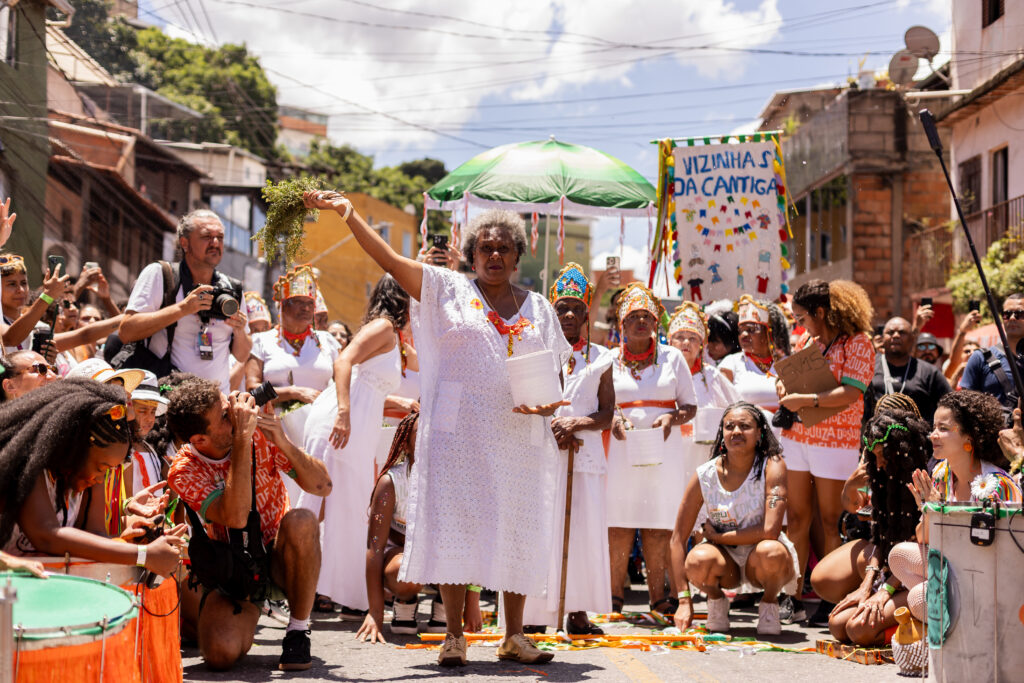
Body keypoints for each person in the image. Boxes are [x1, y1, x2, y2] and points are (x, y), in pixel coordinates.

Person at [303, 191, 570, 667]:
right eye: (485, 247)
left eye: (504, 248)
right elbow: (385, 255)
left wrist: (548, 404)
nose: (494, 255)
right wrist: (347, 212)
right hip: (456, 436)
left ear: (517, 256)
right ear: (471, 254)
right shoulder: (445, 287)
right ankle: (453, 636)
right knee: (454, 526)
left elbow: (556, 376)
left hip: (518, 438)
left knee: (517, 528)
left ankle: (514, 635)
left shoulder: (539, 308)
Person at [166, 379, 332, 671]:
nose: (236, 413)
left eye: (229, 405)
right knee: (220, 654)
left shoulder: (258, 435)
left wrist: (280, 438)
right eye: (225, 415)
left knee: (302, 520)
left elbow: (323, 486)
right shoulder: (184, 470)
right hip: (232, 571)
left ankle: (298, 628)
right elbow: (236, 517)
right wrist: (243, 440)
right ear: (199, 440)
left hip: (280, 556)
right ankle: (249, 610)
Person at [294, 273, 412, 621]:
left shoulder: (392, 334)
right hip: (341, 421)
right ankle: (291, 581)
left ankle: (338, 591)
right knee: (317, 504)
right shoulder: (383, 326)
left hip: (359, 422)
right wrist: (344, 413)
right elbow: (342, 362)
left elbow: (370, 390)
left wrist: (401, 406)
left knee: (346, 508)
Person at [0, 379, 185, 574]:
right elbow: (47, 535)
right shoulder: (29, 465)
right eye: (101, 468)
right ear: (74, 450)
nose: (101, 478)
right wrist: (142, 554)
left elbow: (92, 534)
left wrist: (127, 542)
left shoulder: (86, 479)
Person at [776, 280, 874, 625]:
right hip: (797, 437)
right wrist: (784, 385)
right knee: (798, 519)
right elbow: (794, 378)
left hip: (836, 442)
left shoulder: (859, 343)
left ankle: (830, 598)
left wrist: (807, 400)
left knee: (832, 522)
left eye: (802, 317)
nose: (799, 325)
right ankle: (792, 593)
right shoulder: (809, 340)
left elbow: (850, 393)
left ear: (821, 312)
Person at [523, 263, 614, 634]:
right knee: (540, 531)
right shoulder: (536, 351)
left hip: (583, 455)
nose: (569, 314)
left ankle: (577, 610)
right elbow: (524, 401)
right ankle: (532, 614)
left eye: (577, 307)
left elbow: (608, 414)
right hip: (541, 455)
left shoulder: (602, 357)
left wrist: (576, 423)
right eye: (562, 307)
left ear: (587, 313)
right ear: (551, 311)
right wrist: (551, 427)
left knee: (582, 533)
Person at [607, 283, 697, 616]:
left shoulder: (672, 357)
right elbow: (603, 404)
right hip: (620, 450)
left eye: (647, 316)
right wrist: (613, 419)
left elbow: (691, 405)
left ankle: (658, 596)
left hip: (664, 450)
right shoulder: (609, 361)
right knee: (618, 522)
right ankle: (613, 595)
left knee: (658, 523)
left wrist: (672, 418)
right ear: (622, 325)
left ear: (656, 323)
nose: (641, 322)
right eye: (633, 317)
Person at [669, 402, 799, 635]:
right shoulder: (705, 475)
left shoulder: (773, 465)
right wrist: (684, 600)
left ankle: (769, 604)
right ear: (722, 434)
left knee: (772, 549)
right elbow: (677, 539)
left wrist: (719, 537)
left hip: (762, 560)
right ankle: (717, 602)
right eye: (729, 426)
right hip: (723, 562)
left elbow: (770, 530)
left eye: (745, 426)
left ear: (760, 433)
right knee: (698, 558)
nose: (736, 431)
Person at [895, 391, 1023, 625]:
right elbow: (924, 539)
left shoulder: (997, 484)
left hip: (992, 577)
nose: (933, 434)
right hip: (957, 571)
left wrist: (944, 513)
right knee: (899, 555)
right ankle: (958, 621)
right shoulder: (941, 474)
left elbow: (1002, 554)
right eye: (934, 427)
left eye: (944, 428)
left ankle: (970, 624)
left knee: (919, 597)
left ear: (969, 438)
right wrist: (930, 512)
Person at [356, 413, 483, 642]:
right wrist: (375, 613)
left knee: (458, 551)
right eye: (421, 432)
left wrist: (472, 603)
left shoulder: (455, 480)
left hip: (441, 557)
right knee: (406, 571)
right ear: (405, 443)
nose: (430, 437)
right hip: (402, 554)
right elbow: (374, 548)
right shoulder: (391, 482)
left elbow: (473, 542)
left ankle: (446, 604)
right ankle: (405, 600)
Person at [812, 402, 929, 643]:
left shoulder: (924, 478)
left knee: (859, 630)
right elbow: (880, 538)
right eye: (873, 458)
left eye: (882, 457)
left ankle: (918, 633)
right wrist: (867, 585)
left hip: (920, 573)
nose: (877, 465)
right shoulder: (882, 476)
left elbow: (916, 552)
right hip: (890, 568)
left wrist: (886, 591)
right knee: (837, 625)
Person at [119, 210, 251, 393]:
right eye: (207, 236)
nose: (215, 243)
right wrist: (183, 308)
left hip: (216, 406)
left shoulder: (232, 288)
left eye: (220, 237)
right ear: (185, 243)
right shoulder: (161, 275)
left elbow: (242, 355)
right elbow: (127, 330)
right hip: (167, 400)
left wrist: (240, 330)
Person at [247, 265, 341, 418]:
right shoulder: (261, 341)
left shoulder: (327, 340)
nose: (306, 308)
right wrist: (294, 393)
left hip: (322, 423)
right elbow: (252, 391)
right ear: (283, 306)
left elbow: (345, 385)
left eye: (310, 303)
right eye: (298, 302)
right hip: (274, 428)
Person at [667, 302, 740, 476]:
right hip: (669, 454)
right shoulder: (661, 374)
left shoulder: (711, 375)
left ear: (701, 344)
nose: (686, 342)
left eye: (693, 338)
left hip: (703, 456)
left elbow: (737, 407)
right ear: (670, 341)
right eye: (680, 337)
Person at [863, 317, 951, 425]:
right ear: (882, 338)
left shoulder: (929, 372)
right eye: (890, 332)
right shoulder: (868, 367)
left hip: (918, 439)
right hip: (876, 439)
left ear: (912, 339)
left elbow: (950, 405)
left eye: (902, 332)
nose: (895, 335)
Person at [718, 296, 788, 420]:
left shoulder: (788, 362)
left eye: (751, 330)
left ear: (769, 332)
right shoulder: (731, 363)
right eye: (740, 331)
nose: (744, 335)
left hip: (785, 434)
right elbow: (721, 404)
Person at [958, 293, 1024, 412]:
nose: (1012, 318)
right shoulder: (980, 358)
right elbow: (965, 408)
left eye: (1019, 314)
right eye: (1007, 314)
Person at [943, 308, 982, 381]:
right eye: (967, 351)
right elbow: (954, 362)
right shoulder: (952, 374)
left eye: (976, 351)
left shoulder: (984, 373)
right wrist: (962, 332)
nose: (971, 353)